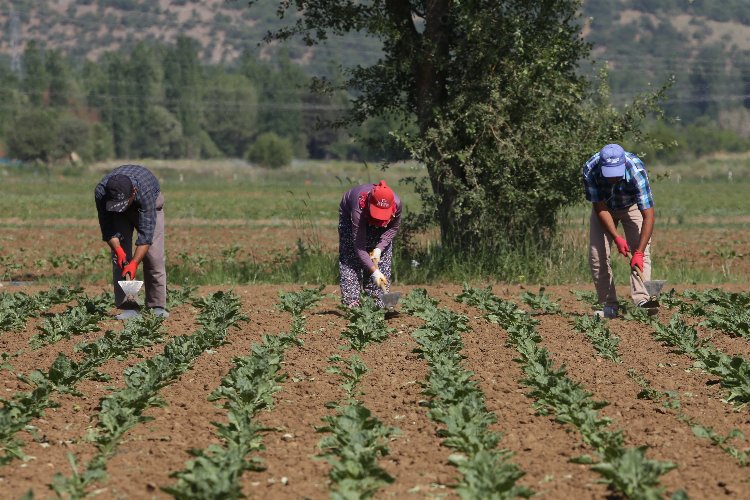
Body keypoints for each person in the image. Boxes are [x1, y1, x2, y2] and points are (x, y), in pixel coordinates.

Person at [582, 143, 658, 319]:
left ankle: (643, 300)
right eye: (609, 174)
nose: (612, 179)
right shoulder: (590, 170)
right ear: (601, 166)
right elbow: (599, 207)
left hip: (632, 207)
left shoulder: (636, 171)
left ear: (623, 164)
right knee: (597, 255)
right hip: (605, 209)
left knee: (642, 253)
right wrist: (616, 237)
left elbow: (648, 216)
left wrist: (637, 252)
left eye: (616, 174)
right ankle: (609, 305)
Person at [94, 164, 168, 319]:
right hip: (118, 210)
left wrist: (135, 262)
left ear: (133, 192)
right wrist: (120, 252)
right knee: (120, 261)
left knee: (153, 257)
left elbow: (146, 236)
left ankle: (157, 306)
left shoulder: (145, 190)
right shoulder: (102, 192)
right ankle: (129, 307)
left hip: (149, 205)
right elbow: (107, 228)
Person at [338, 180, 401, 308]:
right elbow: (359, 246)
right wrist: (374, 272)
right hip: (351, 218)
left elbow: (392, 229)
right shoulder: (358, 209)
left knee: (382, 260)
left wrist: (379, 248)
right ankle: (352, 303)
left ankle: (378, 303)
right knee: (351, 259)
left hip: (380, 220)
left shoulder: (397, 204)